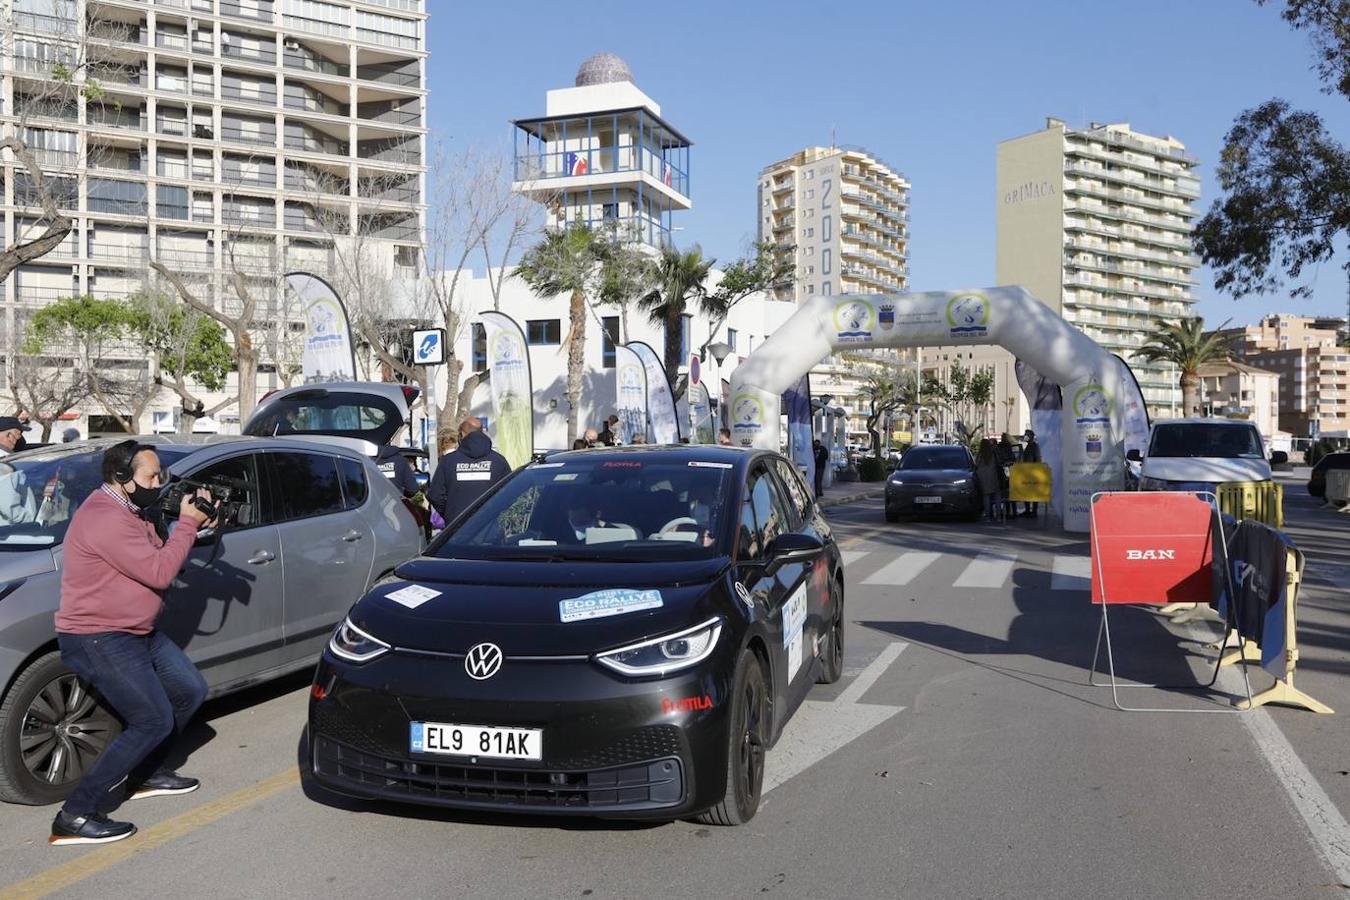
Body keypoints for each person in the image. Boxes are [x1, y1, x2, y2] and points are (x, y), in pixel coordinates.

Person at [49, 440, 214, 846]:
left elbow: (156, 553)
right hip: (98, 636)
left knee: (190, 690)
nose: (158, 483)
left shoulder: (131, 509)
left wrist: (191, 525)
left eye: (160, 475)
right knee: (152, 719)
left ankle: (145, 774)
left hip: (137, 630)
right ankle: (76, 814)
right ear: (121, 478)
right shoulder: (105, 517)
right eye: (151, 476)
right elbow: (158, 572)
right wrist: (188, 525)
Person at [428, 417, 511, 525]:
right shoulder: (499, 461)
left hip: (456, 528)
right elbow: (510, 493)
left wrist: (450, 513)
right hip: (489, 528)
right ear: (482, 432)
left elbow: (435, 495)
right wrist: (494, 513)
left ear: (462, 434)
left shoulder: (448, 461)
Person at [975, 439, 1004, 524]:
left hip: (983, 478)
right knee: (997, 496)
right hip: (993, 476)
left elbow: (976, 464)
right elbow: (999, 463)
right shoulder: (993, 453)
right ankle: (998, 517)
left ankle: (988, 517)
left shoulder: (980, 454)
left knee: (986, 497)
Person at [1020, 429, 1042, 518]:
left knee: (1034, 494)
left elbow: (1038, 460)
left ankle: (1034, 511)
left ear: (1031, 436)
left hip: (1033, 473)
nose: (1025, 436)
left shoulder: (1035, 446)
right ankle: (1028, 510)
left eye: (1027, 434)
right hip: (1027, 473)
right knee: (1026, 493)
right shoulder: (1028, 446)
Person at [996, 433, 1017, 520]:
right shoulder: (1009, 447)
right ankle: (1013, 512)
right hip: (1010, 472)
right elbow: (1013, 458)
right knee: (1011, 493)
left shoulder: (999, 447)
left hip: (1002, 472)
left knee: (1004, 493)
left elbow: (998, 458)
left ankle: (1006, 512)